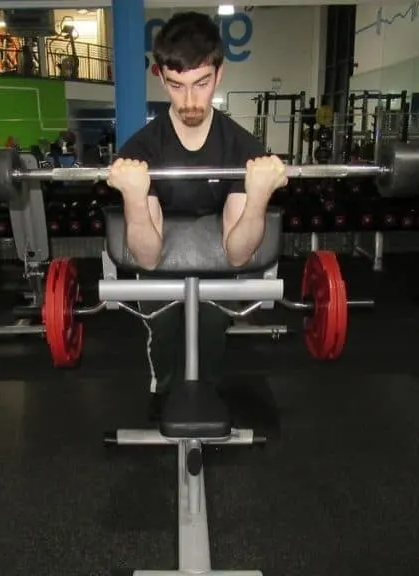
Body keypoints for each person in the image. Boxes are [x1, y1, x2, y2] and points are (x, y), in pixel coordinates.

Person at [105, 12, 287, 419]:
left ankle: (206, 392)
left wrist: (257, 197)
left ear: (218, 75)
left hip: (218, 244)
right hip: (157, 240)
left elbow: (238, 255)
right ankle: (165, 387)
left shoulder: (242, 147)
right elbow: (148, 258)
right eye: (177, 86)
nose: (189, 101)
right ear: (162, 78)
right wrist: (135, 197)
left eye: (201, 84)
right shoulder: (142, 150)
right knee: (165, 323)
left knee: (211, 322)